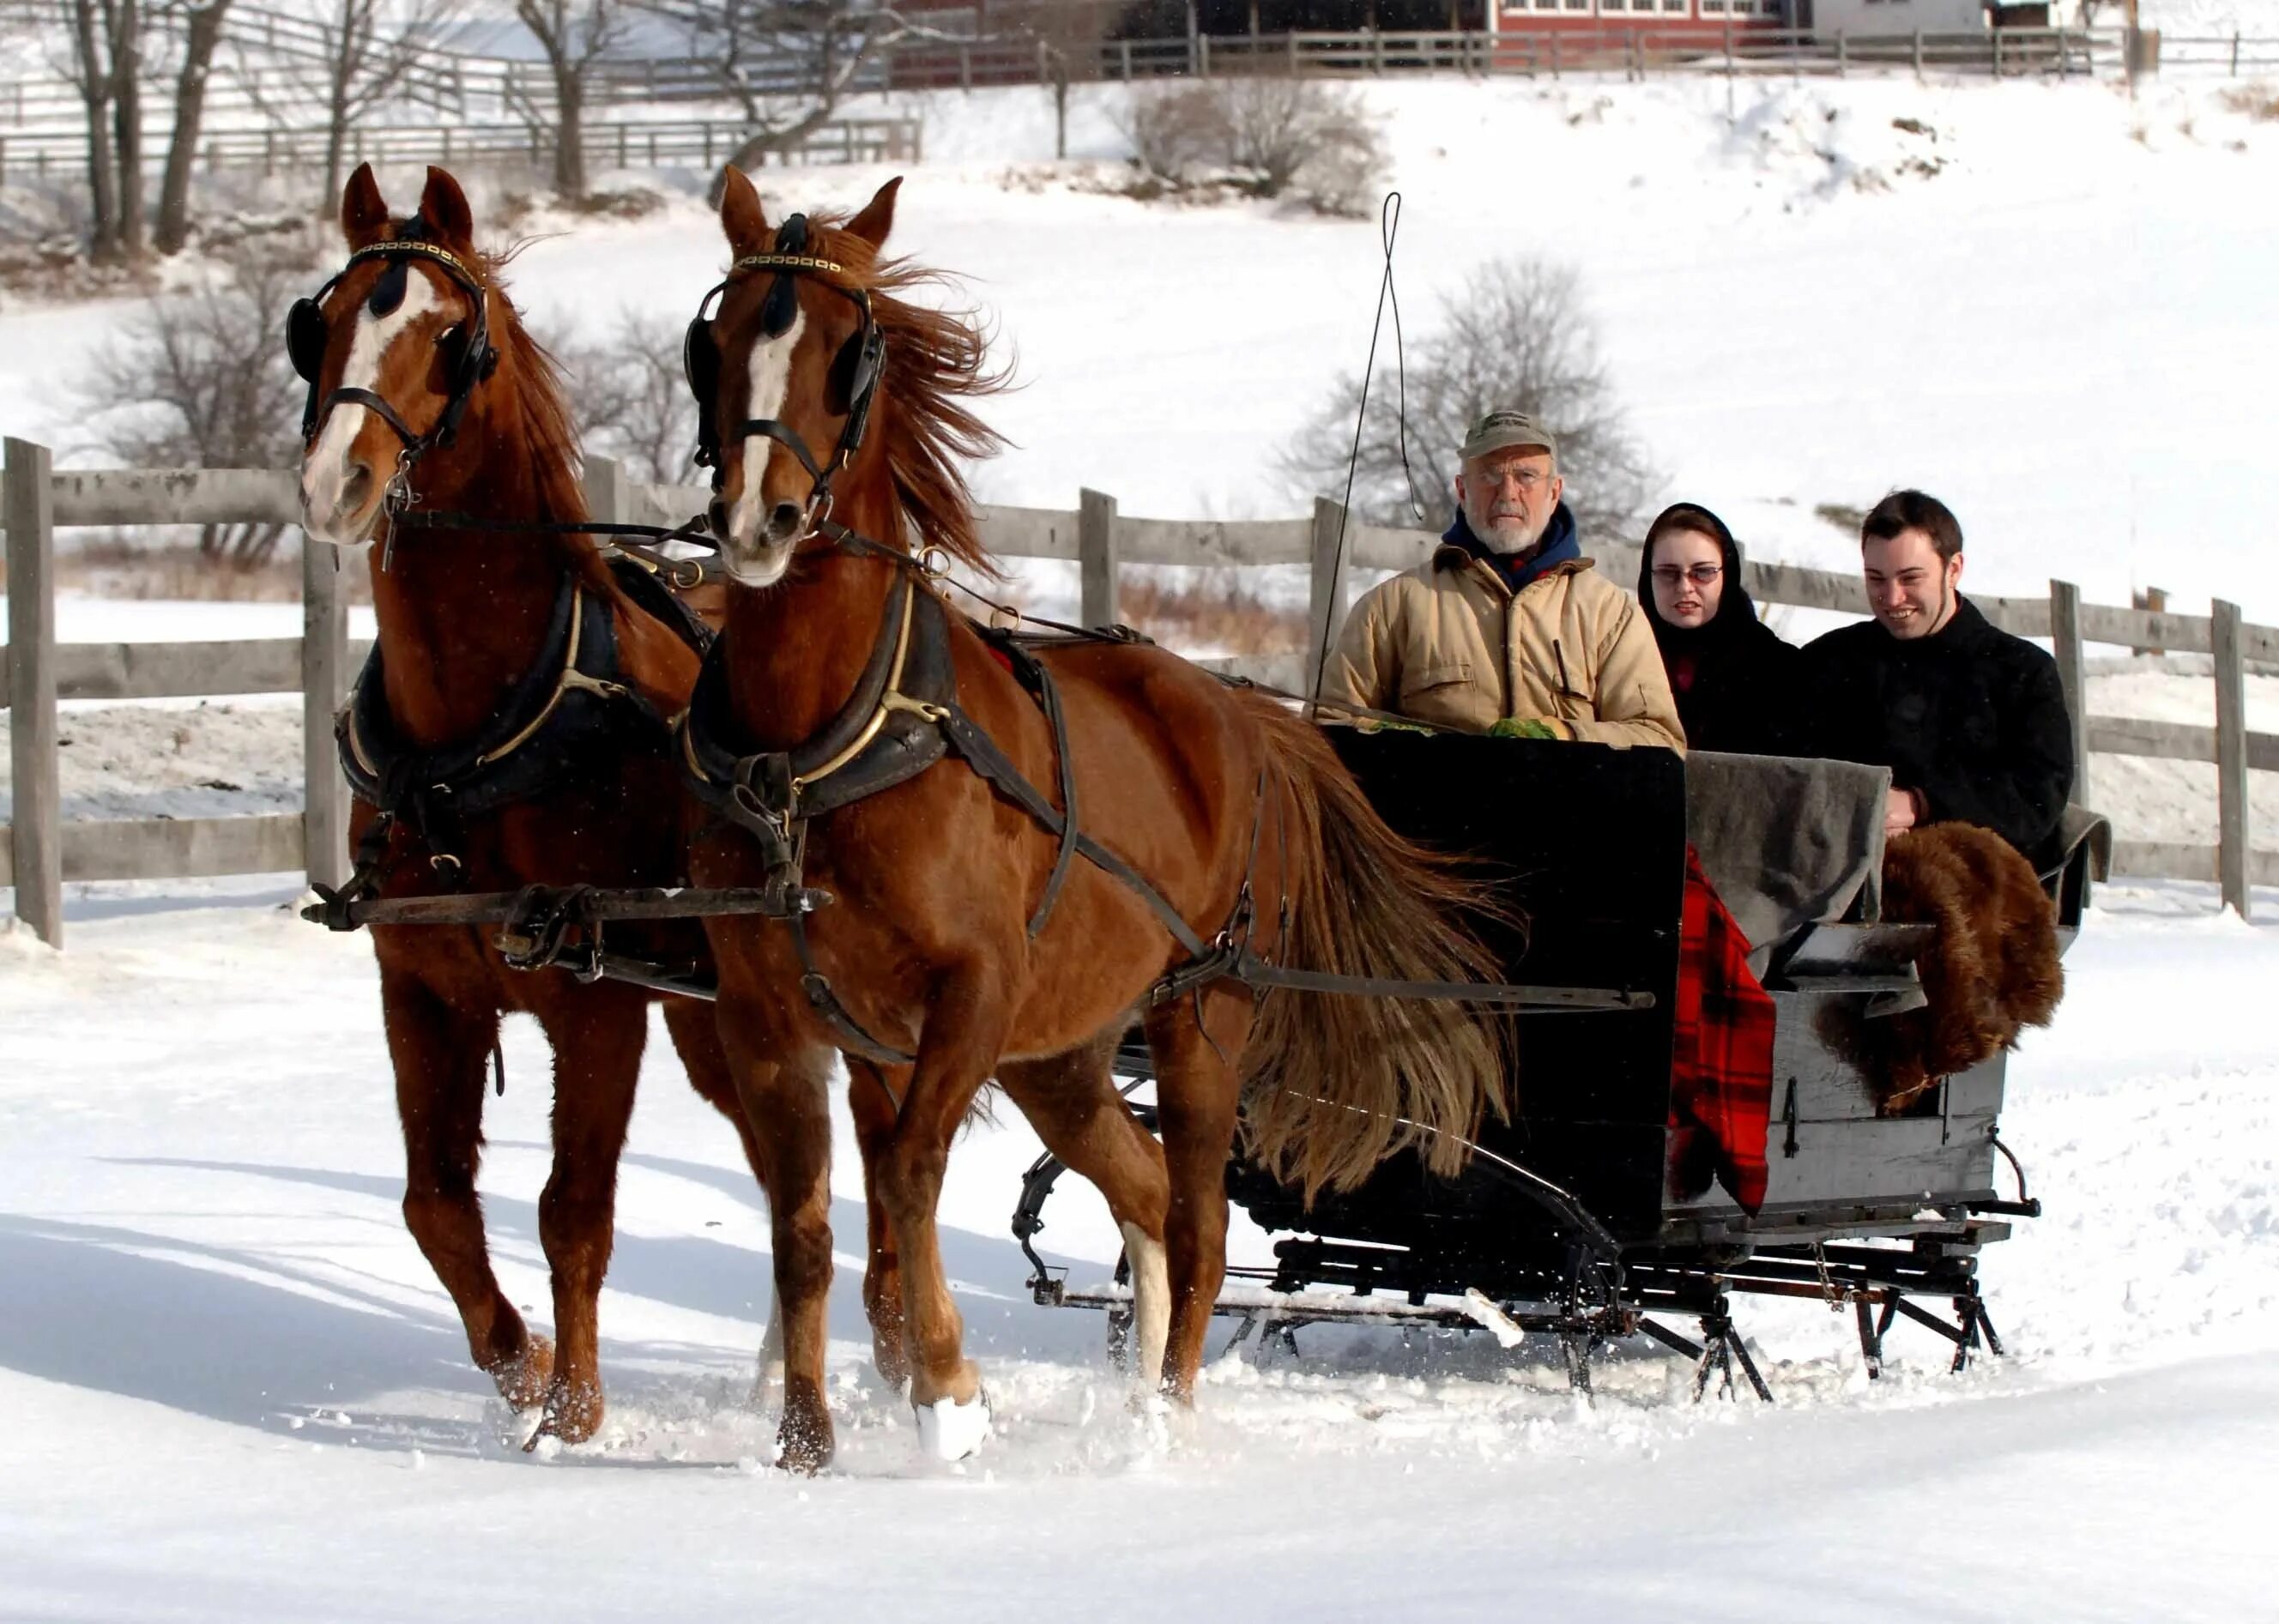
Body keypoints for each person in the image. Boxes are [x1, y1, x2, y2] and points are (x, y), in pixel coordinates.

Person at [1324, 409, 1684, 752]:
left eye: (1526, 475)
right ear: (1462, 490)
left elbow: (1657, 738)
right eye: (1490, 475)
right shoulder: (1392, 607)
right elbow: (1330, 728)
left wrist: (1562, 735)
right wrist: (1401, 747)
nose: (1508, 492)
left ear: (1555, 491)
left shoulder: (1610, 613)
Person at [1799, 490, 2074, 867]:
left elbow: (2037, 798)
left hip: (1981, 885)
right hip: (1838, 875)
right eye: (1876, 579)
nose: (1893, 598)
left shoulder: (2021, 672)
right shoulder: (1829, 661)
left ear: (1954, 568)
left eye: (1911, 578)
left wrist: (1922, 803)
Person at [1636, 502, 1800, 757]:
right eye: (1668, 573)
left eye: (1703, 572)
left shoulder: (1777, 668)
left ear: (1728, 574)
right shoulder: (1623, 657)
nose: (1684, 587)